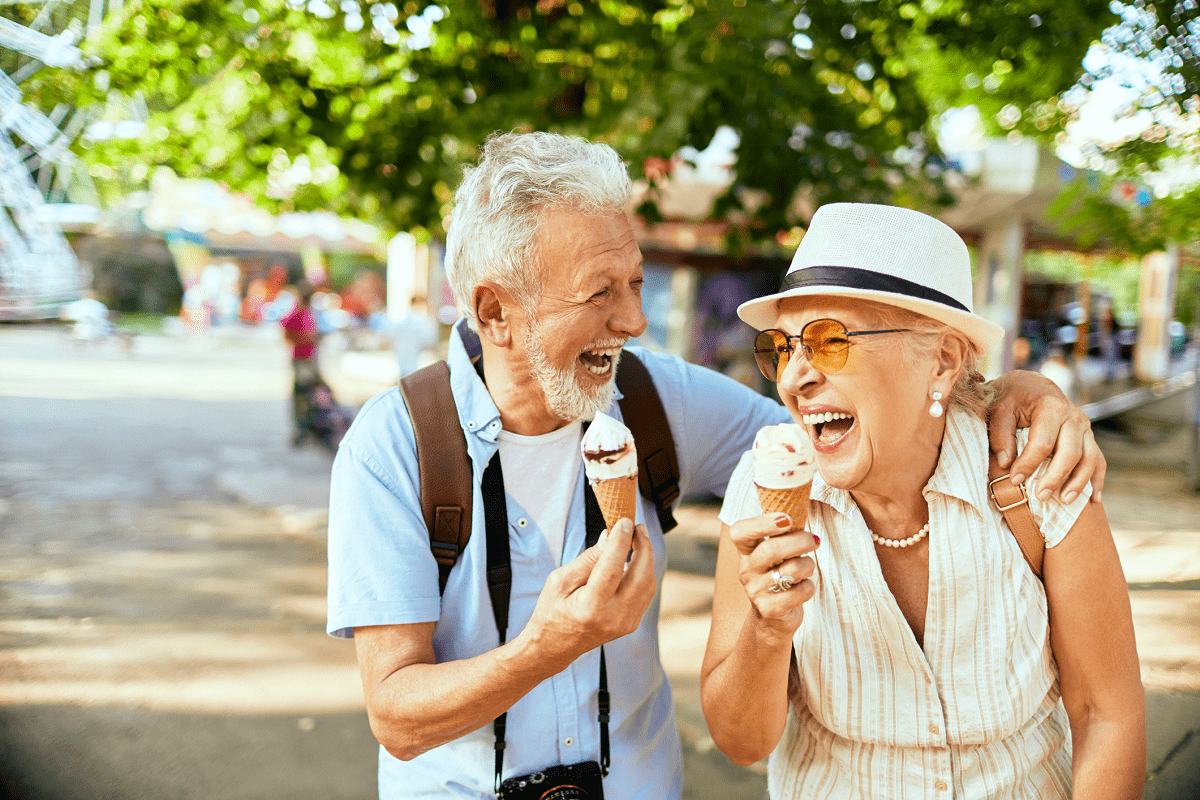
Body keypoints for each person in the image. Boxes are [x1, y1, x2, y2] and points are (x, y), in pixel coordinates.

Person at [325, 133, 1106, 799]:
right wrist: (552, 642)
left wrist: (1015, 392)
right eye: (600, 293)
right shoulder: (394, 448)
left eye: (634, 282)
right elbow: (396, 714)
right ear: (493, 310)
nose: (632, 321)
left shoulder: (658, 399)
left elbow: (851, 425)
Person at [700, 204, 1144, 799]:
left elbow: (1106, 716)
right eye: (780, 347)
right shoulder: (765, 486)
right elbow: (742, 743)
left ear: (941, 360)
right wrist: (767, 630)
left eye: (830, 341)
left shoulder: (1038, 470)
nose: (791, 378)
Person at [279, 281, 322, 445]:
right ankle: (301, 428)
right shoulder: (295, 314)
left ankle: (313, 426)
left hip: (310, 359)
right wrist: (305, 339)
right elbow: (286, 335)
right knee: (301, 395)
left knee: (313, 393)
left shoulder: (308, 313)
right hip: (301, 359)